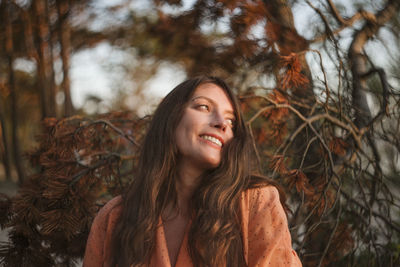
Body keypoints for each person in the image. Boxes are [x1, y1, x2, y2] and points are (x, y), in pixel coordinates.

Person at [83, 76, 302, 267]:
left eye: (231, 121)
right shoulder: (114, 217)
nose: (221, 124)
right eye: (204, 107)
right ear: (171, 118)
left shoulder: (255, 202)